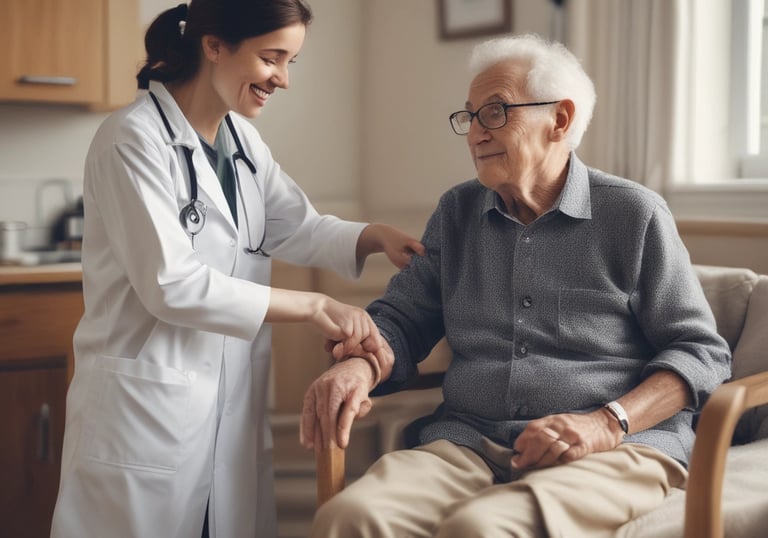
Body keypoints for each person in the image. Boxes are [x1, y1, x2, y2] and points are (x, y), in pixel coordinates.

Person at [302, 34, 732, 537]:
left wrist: (604, 422)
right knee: (348, 519)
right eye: (470, 116)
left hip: (612, 448)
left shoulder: (633, 214)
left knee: (481, 528)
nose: (475, 134)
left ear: (561, 120)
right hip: (468, 438)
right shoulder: (456, 213)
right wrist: (358, 363)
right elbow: (402, 319)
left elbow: (701, 352)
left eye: (496, 112)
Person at [49, 1, 422, 537]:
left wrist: (374, 237)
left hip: (228, 411)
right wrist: (316, 305)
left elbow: (298, 226)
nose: (283, 79)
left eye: (291, 62)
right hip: (145, 413)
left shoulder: (242, 142)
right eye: (272, 58)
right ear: (215, 46)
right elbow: (171, 286)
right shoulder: (131, 138)